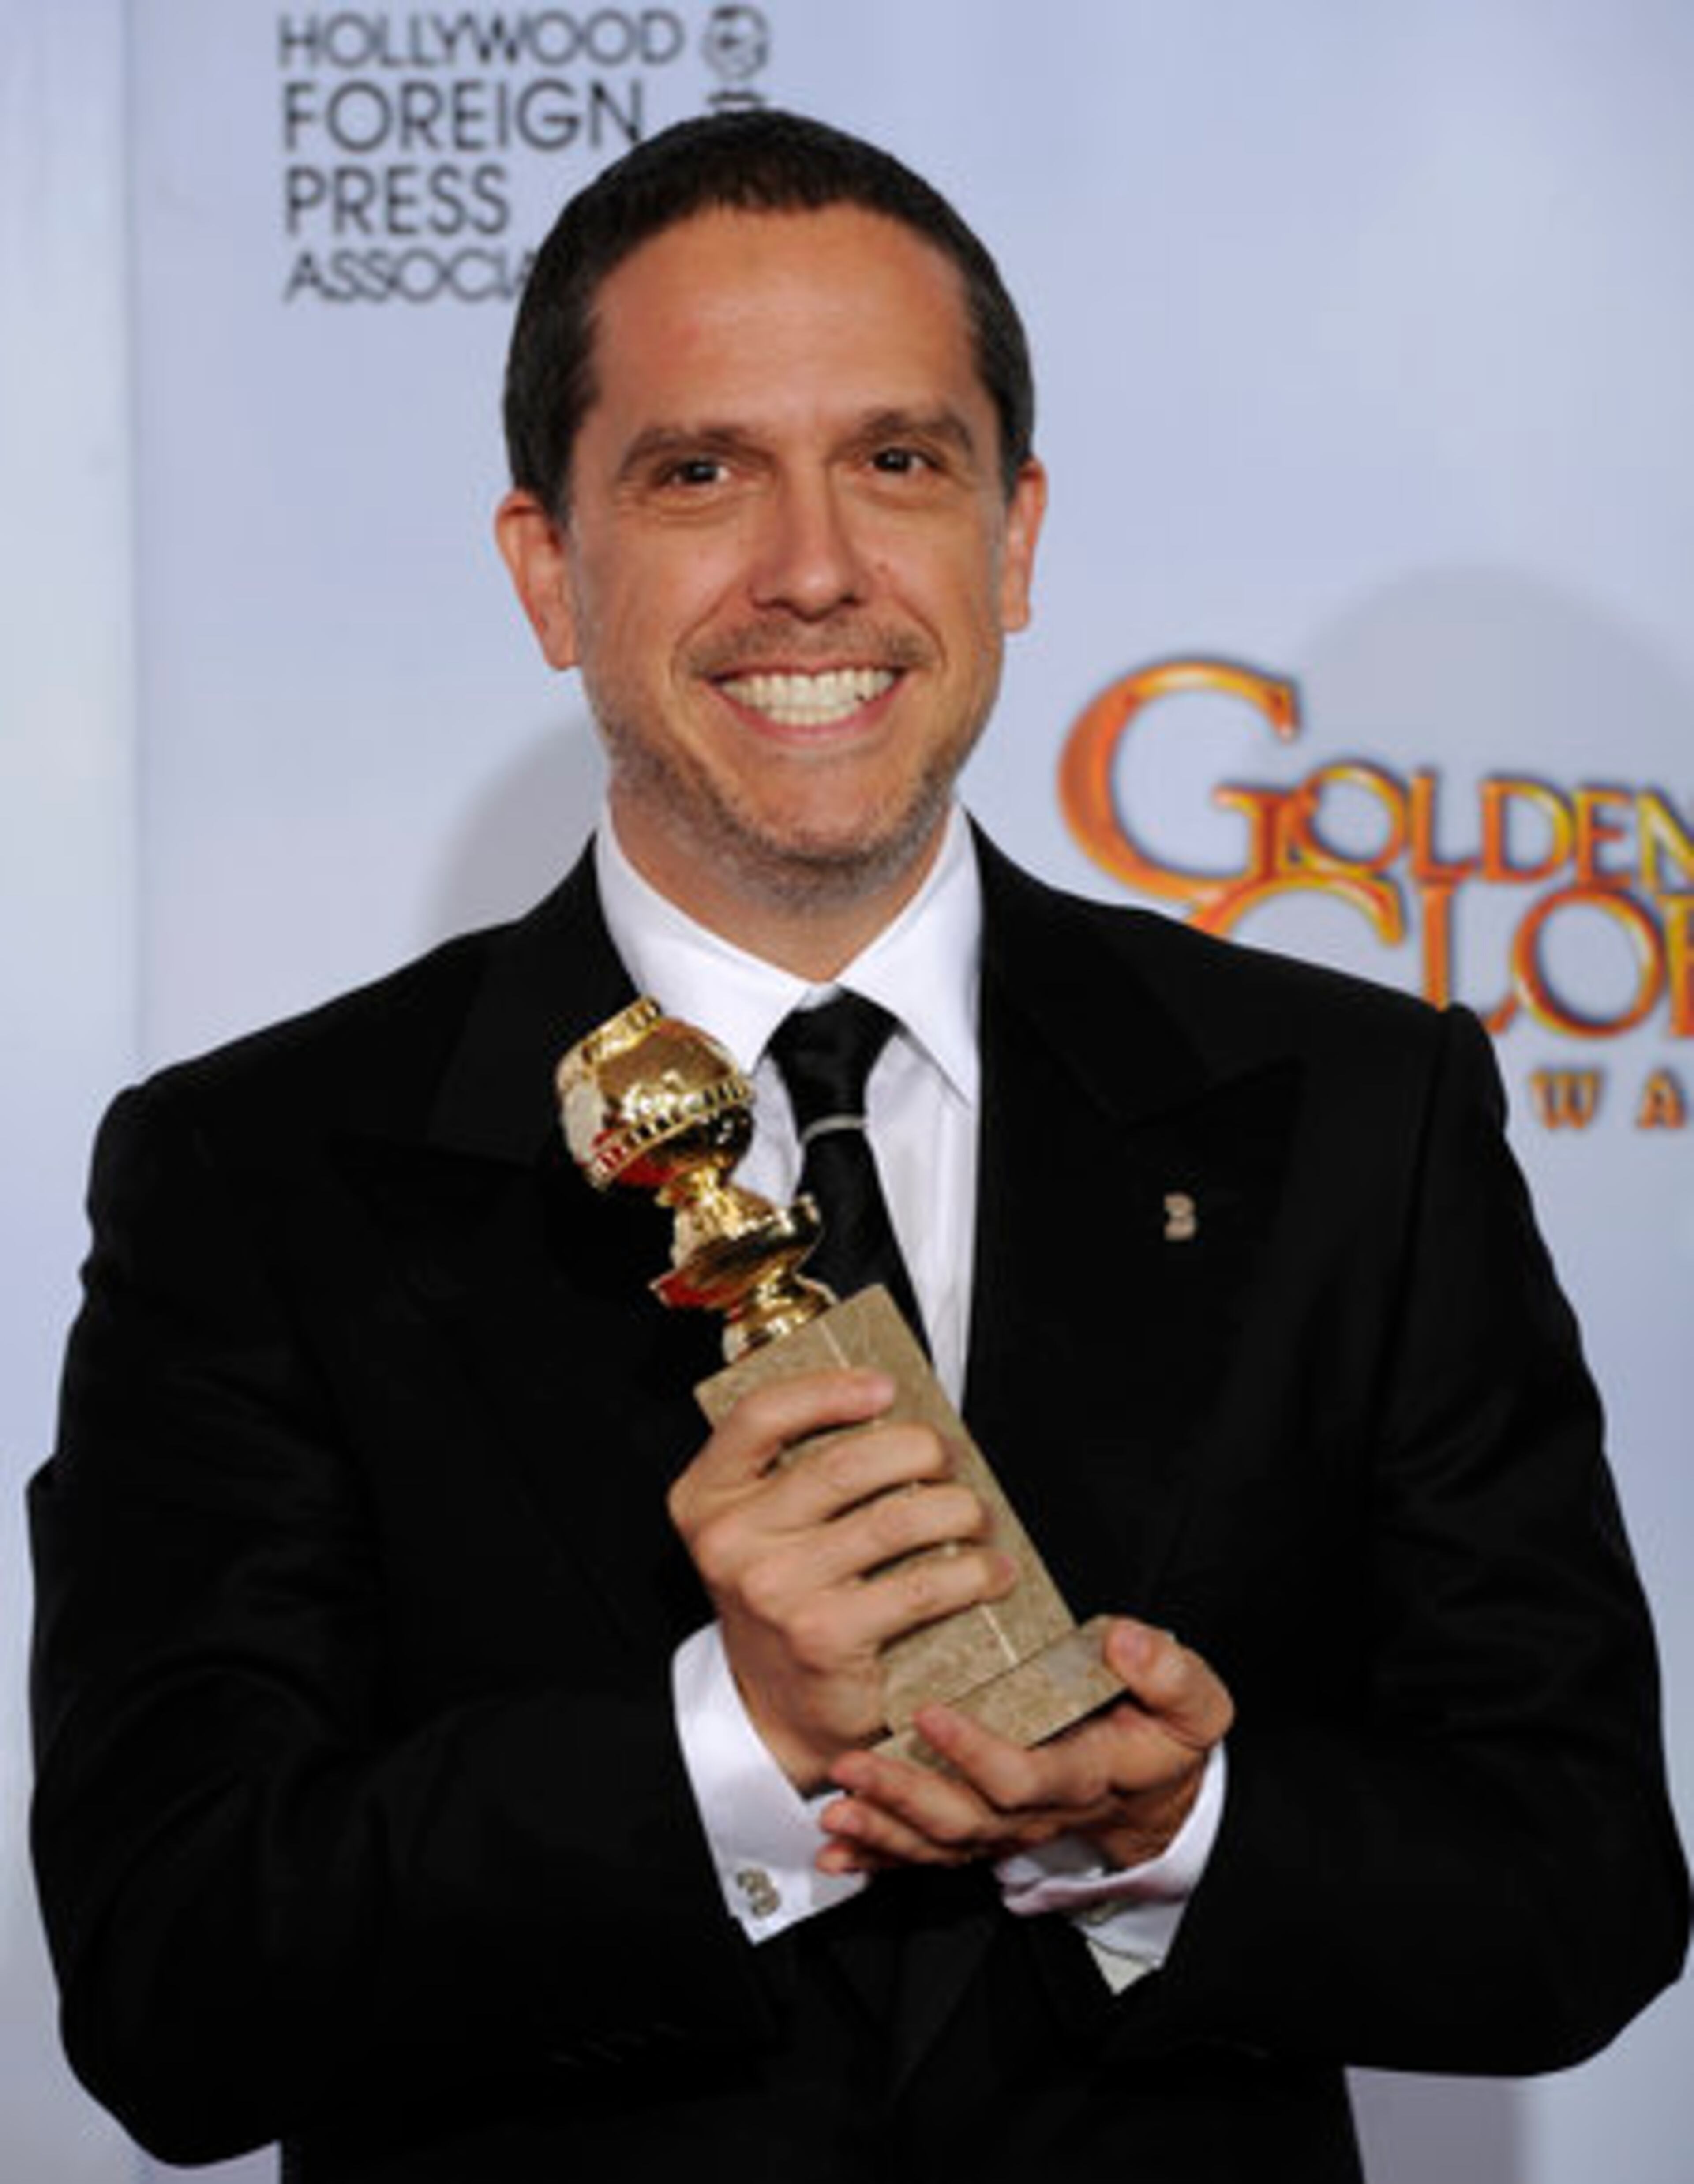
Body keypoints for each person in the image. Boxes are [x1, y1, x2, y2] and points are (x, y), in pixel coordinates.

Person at [29, 110, 1687, 2183]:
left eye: (899, 460)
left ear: (1013, 537)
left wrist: (1174, 1826)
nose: (814, 564)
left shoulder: (1361, 1113)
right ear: (550, 567)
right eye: (700, 470)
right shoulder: (257, 1169)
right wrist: (733, 1746)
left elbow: (1583, 1889)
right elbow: (169, 1986)